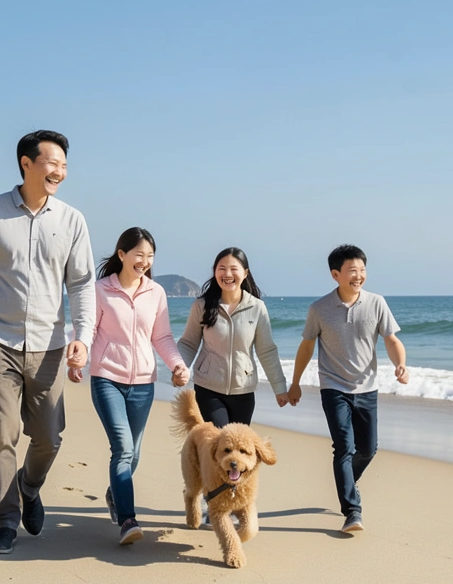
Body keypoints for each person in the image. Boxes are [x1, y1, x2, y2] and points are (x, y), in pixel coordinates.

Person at [0, 130, 96, 555]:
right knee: (1, 433)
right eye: (52, 163)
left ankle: (29, 487)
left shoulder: (72, 220)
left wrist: (82, 338)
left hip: (49, 344)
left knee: (50, 436)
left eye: (65, 166)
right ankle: (5, 522)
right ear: (26, 164)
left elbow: (82, 284)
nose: (60, 172)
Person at [287, 244, 408, 534]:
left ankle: (346, 482)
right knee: (344, 446)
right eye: (353, 270)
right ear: (335, 274)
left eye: (363, 270)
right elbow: (306, 346)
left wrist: (400, 364)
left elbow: (391, 339)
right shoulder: (319, 309)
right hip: (333, 386)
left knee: (368, 448)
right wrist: (295, 383)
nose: (359, 276)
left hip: (367, 387)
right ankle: (352, 511)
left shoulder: (377, 303)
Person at [83, 227, 189, 544]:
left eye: (150, 256)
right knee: (123, 448)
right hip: (106, 378)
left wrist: (178, 365)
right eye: (138, 254)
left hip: (144, 384)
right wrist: (79, 356)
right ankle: (128, 520)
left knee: (134, 454)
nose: (144, 261)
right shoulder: (101, 289)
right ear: (122, 255)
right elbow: (89, 328)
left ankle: (115, 492)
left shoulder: (155, 293)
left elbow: (161, 337)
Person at [176, 247, 289, 427]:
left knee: (236, 451)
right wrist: (179, 368)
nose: (227, 274)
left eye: (233, 268)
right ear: (215, 272)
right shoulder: (201, 306)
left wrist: (280, 388)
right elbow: (188, 343)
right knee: (221, 439)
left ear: (245, 273)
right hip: (208, 388)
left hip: (244, 391)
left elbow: (266, 351)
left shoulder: (257, 308)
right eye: (222, 268)